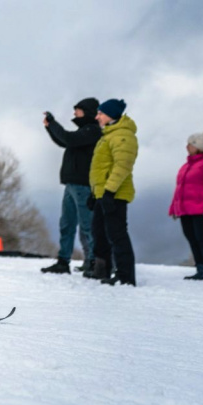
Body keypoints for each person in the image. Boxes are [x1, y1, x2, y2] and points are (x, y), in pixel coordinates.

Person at [41, 98, 101, 275]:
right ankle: (63, 261)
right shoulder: (84, 131)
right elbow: (64, 141)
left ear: (88, 112)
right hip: (72, 185)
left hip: (83, 186)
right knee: (66, 225)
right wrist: (49, 128)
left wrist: (53, 124)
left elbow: (67, 138)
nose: (75, 113)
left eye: (78, 110)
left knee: (87, 226)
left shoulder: (92, 131)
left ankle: (93, 262)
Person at [88, 99, 138, 286]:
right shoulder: (108, 135)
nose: (97, 116)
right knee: (98, 232)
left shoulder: (123, 135)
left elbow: (122, 166)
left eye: (100, 113)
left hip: (115, 194)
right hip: (103, 193)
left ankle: (126, 276)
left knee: (117, 234)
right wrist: (94, 194)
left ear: (110, 115)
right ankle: (102, 269)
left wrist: (109, 192)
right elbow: (101, 168)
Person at [168, 131, 203, 281]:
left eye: (191, 144)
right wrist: (174, 209)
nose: (187, 146)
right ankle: (200, 268)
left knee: (202, 239)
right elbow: (179, 189)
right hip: (185, 211)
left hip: (200, 209)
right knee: (192, 238)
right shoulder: (186, 165)